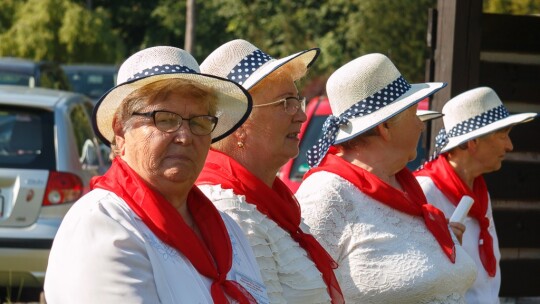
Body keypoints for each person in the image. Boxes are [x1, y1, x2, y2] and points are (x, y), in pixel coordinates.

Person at [44, 46, 269, 304]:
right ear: (120, 130)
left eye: (199, 121)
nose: (185, 137)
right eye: (165, 119)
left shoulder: (228, 230)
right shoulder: (103, 224)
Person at [295, 53, 477, 303]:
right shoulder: (327, 193)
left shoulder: (404, 185)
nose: (421, 125)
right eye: (414, 113)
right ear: (386, 127)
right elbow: (296, 290)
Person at [195, 39, 344, 304]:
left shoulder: (266, 203)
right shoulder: (230, 210)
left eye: (298, 100)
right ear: (239, 122)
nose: (300, 115)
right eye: (285, 103)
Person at [414, 87, 537, 304]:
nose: (510, 146)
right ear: (473, 142)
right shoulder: (424, 191)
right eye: (503, 135)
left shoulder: (478, 191)